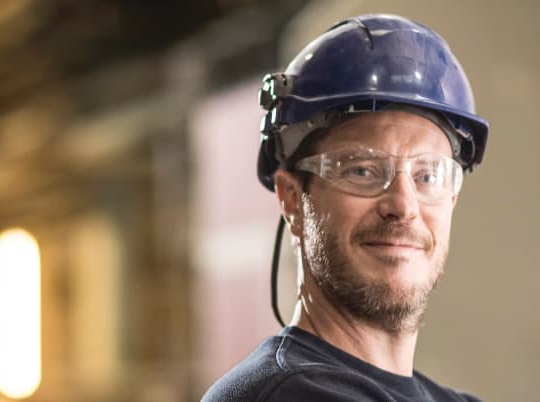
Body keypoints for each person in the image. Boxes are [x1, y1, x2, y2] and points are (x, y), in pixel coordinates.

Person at [203, 13, 490, 402]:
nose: (403, 206)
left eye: (427, 176)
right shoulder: (286, 395)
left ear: (451, 198)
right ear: (291, 199)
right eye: (362, 170)